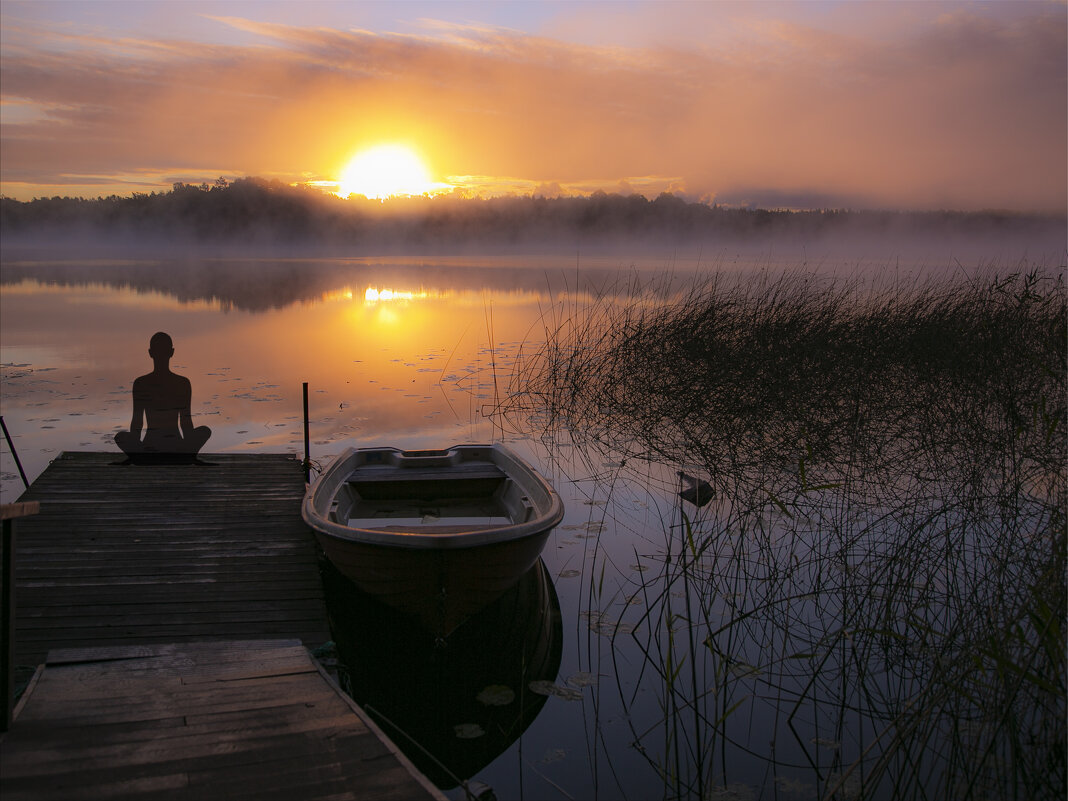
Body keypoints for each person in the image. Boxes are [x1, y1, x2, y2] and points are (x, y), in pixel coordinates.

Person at [115, 332, 211, 464]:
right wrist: (189, 449)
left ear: (150, 353)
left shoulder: (141, 383)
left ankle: (143, 458)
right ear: (172, 352)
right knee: (205, 431)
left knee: (121, 437)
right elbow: (186, 421)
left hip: (150, 448)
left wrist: (135, 450)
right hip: (175, 447)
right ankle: (183, 458)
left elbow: (137, 422)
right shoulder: (182, 383)